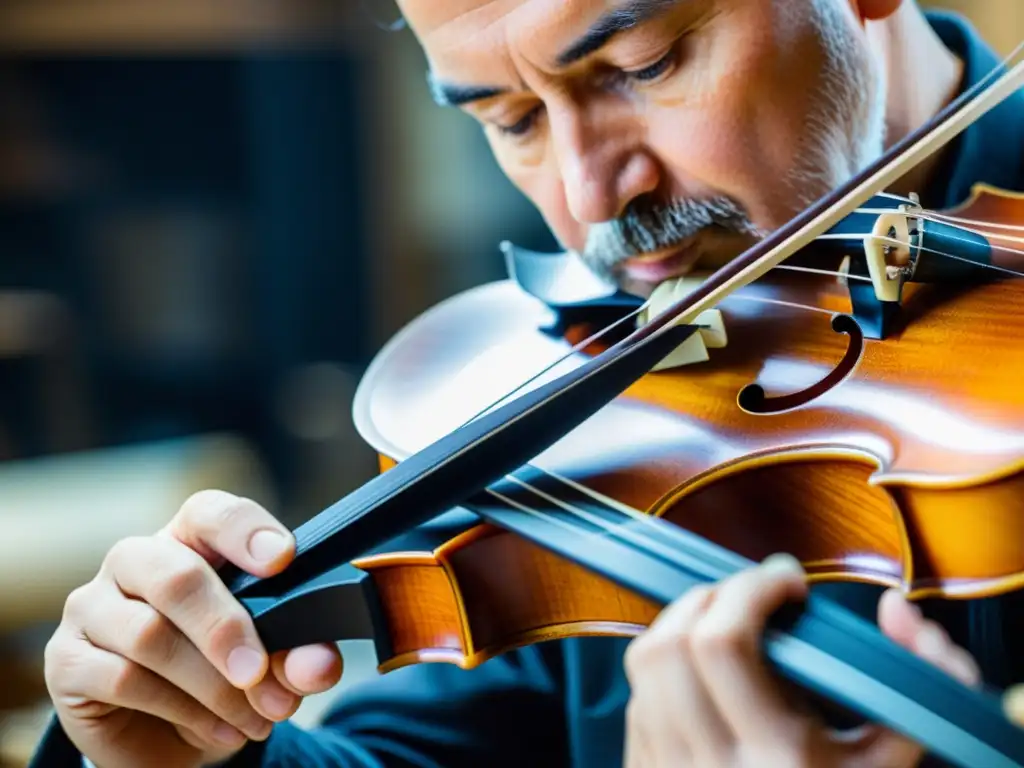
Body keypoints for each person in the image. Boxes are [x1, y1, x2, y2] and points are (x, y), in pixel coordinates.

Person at [28, 1, 1024, 766]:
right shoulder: (593, 375)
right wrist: (191, 750)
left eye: (643, 64)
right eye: (509, 120)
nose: (588, 196)